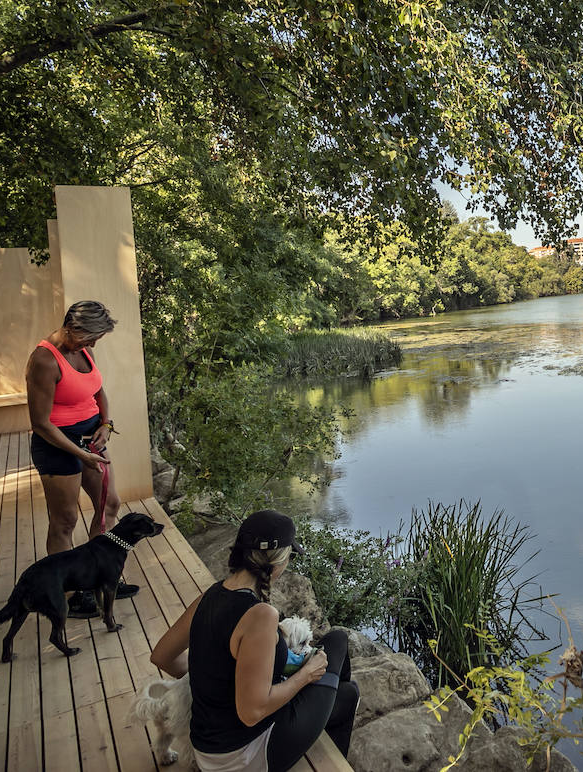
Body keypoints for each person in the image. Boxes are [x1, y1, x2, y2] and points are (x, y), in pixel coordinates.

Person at [150, 510, 359, 771]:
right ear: (277, 561)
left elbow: (161, 656)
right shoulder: (260, 615)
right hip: (243, 757)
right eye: (289, 556)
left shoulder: (210, 596)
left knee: (348, 696)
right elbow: (252, 713)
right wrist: (306, 675)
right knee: (338, 640)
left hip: (207, 750)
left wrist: (216, 675)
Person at [26, 299, 135, 618]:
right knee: (65, 521)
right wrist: (80, 454)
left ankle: (100, 578)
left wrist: (106, 424)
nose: (94, 343)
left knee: (109, 504)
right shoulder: (44, 359)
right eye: (91, 337)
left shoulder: (84, 349)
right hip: (58, 444)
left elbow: (97, 390)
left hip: (91, 438)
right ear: (74, 327)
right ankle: (68, 594)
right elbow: (40, 422)